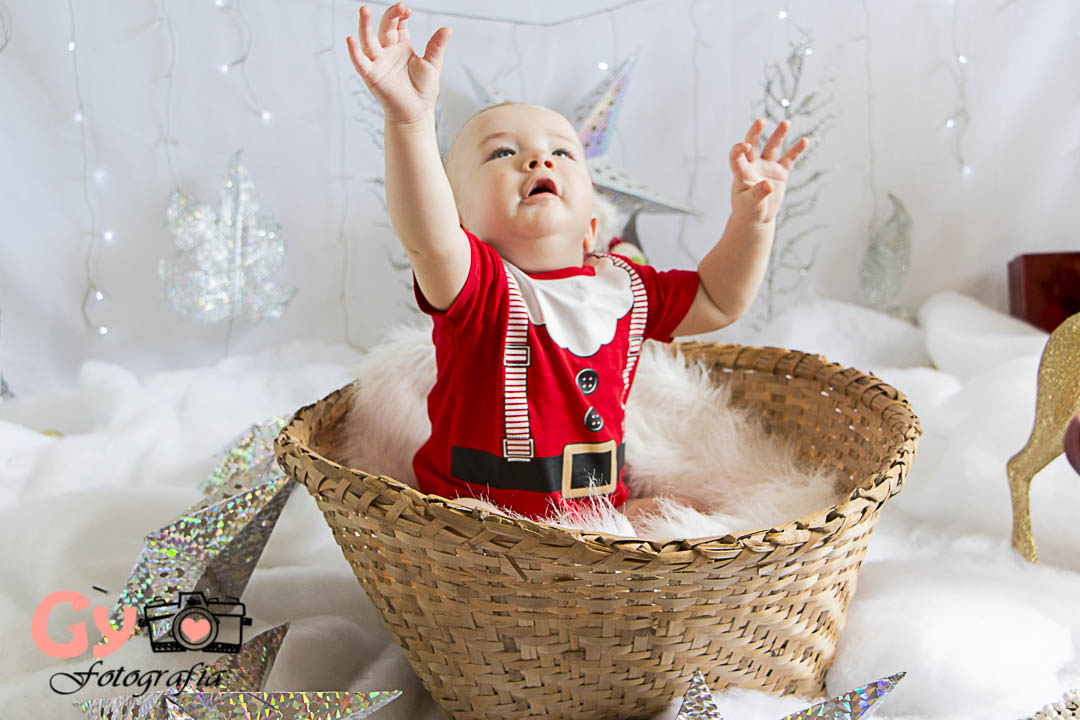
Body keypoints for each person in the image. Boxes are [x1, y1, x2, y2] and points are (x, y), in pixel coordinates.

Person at [346, 2, 809, 526]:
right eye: (501, 153)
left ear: (593, 225)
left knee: (687, 522)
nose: (538, 160)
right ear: (458, 219)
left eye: (563, 153)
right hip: (477, 526)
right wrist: (409, 119)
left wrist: (753, 223)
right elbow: (428, 239)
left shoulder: (624, 287)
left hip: (594, 517)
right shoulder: (479, 286)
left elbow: (718, 298)